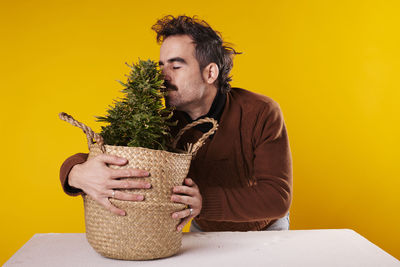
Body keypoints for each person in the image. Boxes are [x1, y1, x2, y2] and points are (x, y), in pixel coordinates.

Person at [59, 15, 292, 232]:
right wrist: (76, 173)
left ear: (210, 73)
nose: (163, 76)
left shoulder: (260, 112)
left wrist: (203, 202)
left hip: (265, 231)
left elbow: (277, 197)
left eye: (176, 66)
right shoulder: (159, 122)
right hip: (204, 231)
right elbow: (110, 151)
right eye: (161, 66)